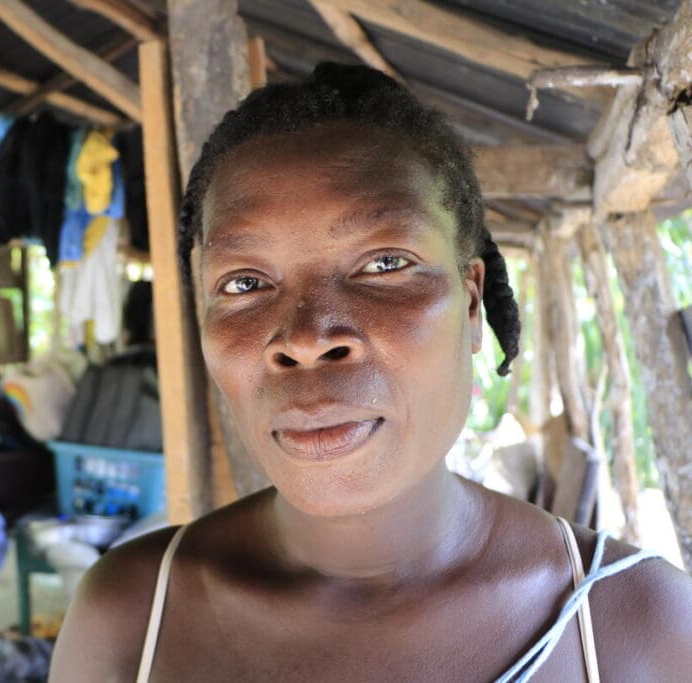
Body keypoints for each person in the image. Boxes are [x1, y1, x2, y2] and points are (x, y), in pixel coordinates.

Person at [49, 64, 692, 682]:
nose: (305, 339)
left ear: (472, 304)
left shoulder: (636, 624)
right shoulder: (130, 619)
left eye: (384, 263)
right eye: (245, 282)